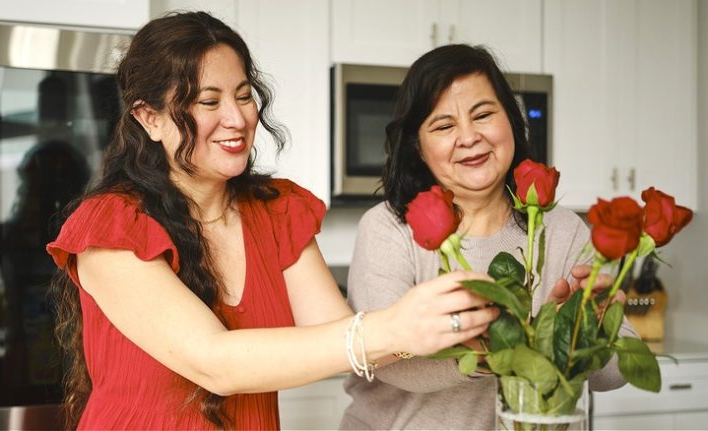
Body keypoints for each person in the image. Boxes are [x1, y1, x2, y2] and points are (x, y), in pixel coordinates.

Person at [46, 12, 499, 431]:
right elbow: (215, 364)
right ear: (150, 118)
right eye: (209, 101)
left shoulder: (276, 211)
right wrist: (394, 327)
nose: (237, 118)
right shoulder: (111, 227)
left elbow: (342, 339)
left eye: (244, 96)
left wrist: (477, 335)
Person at [339, 44, 638, 430]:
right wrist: (519, 342)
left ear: (511, 121)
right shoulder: (388, 228)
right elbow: (390, 361)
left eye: (483, 115)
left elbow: (614, 374)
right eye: (444, 126)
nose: (468, 137)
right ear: (418, 146)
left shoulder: (562, 230)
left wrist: (588, 329)